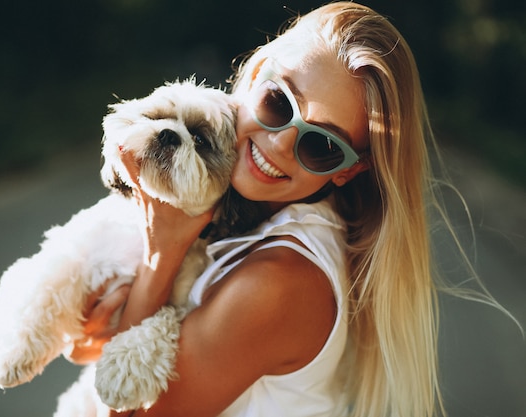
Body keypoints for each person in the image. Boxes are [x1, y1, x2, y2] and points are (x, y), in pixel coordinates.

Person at [67, 2, 479, 416]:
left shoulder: (278, 282)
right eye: (279, 102)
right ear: (256, 69)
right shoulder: (257, 218)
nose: (280, 144)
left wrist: (162, 253)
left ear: (348, 170)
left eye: (321, 146)